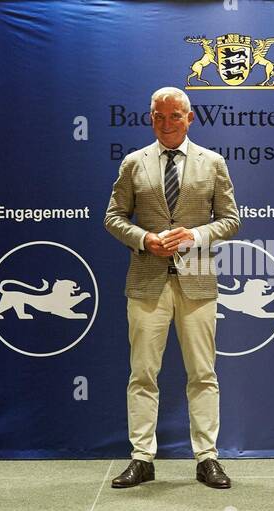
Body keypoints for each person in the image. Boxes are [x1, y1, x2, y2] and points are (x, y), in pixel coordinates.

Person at [103, 87, 241, 489]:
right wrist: (145, 239)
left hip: (197, 282)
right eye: (159, 116)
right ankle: (142, 457)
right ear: (151, 118)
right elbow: (113, 217)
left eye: (175, 116)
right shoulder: (134, 163)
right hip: (147, 282)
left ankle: (207, 458)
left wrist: (194, 236)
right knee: (143, 374)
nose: (166, 124)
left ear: (190, 117)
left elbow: (230, 220)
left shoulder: (213, 163)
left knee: (203, 373)